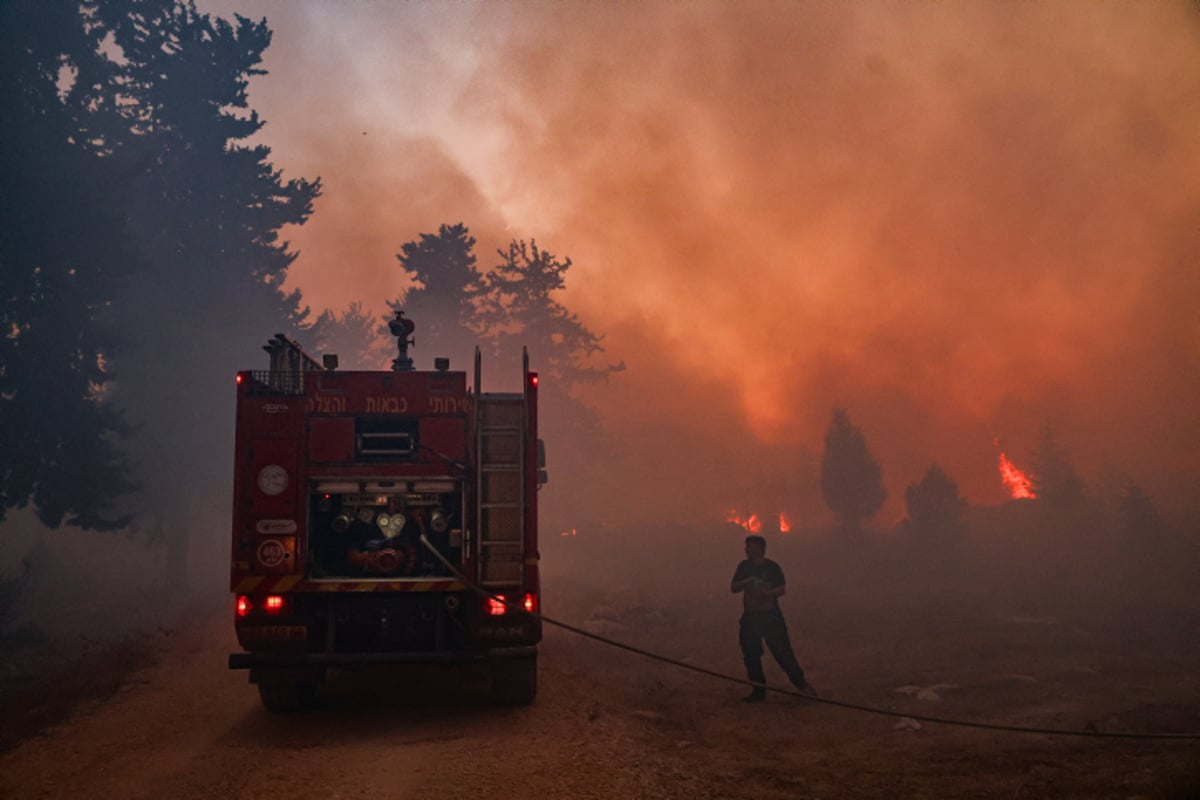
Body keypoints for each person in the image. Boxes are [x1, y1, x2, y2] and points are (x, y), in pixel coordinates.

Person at [730, 534, 815, 702]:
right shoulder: (743, 567)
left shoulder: (772, 567)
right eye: (746, 547)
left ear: (761, 548)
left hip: (770, 617)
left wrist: (767, 593)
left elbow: (782, 589)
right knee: (751, 654)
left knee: (783, 652)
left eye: (751, 547)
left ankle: (802, 685)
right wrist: (748, 581)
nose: (747, 550)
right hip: (750, 617)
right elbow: (734, 587)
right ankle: (758, 690)